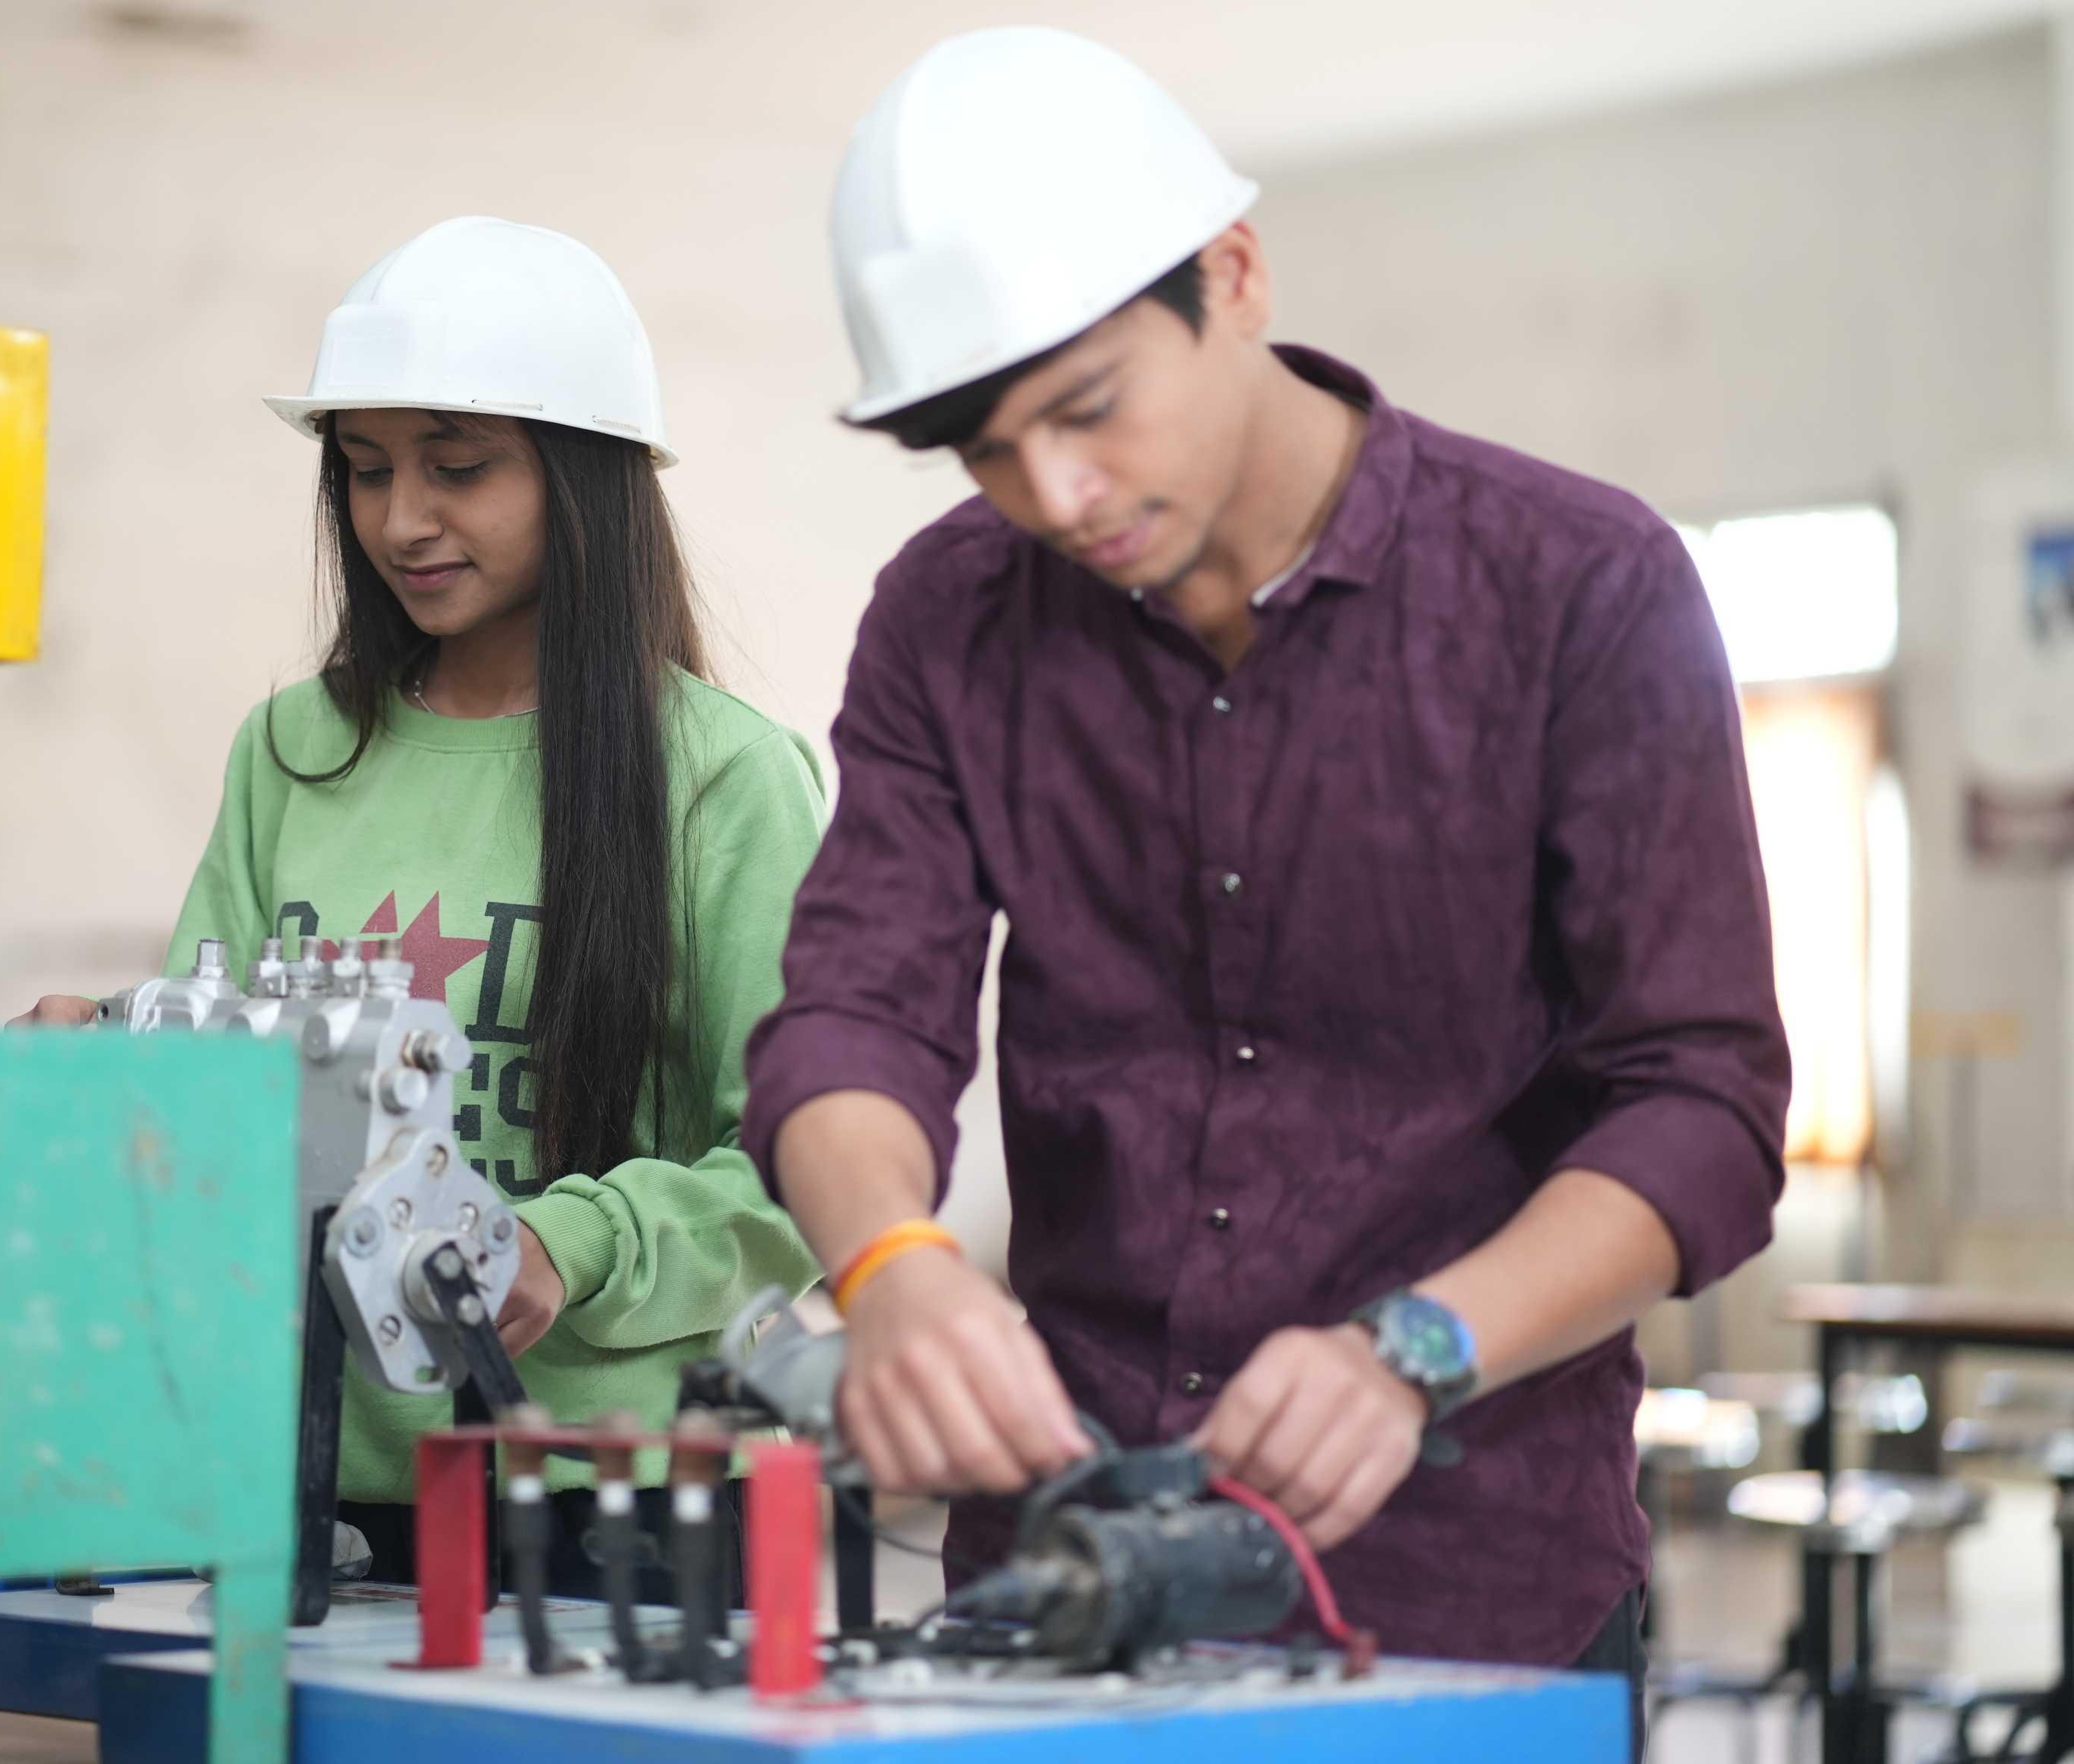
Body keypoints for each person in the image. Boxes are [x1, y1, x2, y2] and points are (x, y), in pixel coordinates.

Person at [742, 27, 1787, 1744]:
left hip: (1470, 1592)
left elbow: (1700, 1103)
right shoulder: (946, 618)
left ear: (1232, 276)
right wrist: (895, 1264)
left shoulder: (1580, 589)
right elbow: (857, 1008)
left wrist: (1420, 1349)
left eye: (1086, 410)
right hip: (1057, 1589)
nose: (1051, 496)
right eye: (983, 451)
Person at [19, 216, 823, 1592]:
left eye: (459, 468)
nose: (401, 520)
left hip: (607, 1509)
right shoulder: (291, 752)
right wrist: (111, 1060)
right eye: (366, 469)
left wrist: (562, 1246)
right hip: (315, 1489)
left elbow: (799, 1168)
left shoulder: (725, 779)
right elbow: (220, 1094)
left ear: (585, 481)